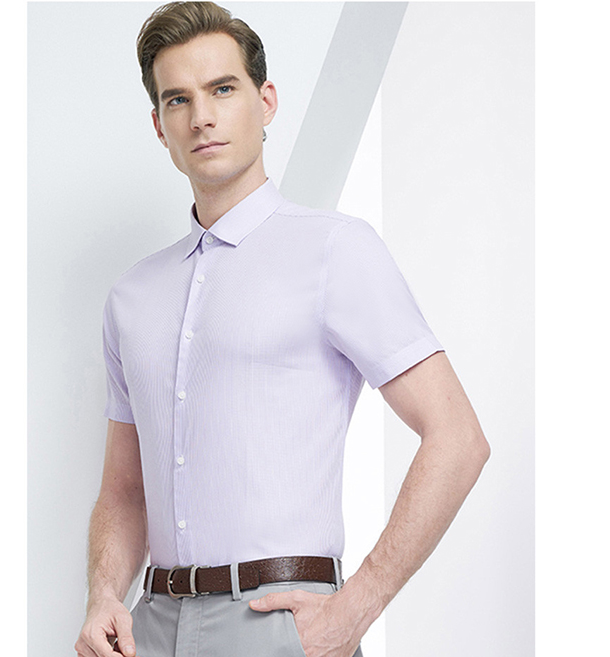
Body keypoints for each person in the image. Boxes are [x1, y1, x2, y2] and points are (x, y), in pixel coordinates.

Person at [74, 2, 491, 656]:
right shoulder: (132, 297)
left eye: (222, 89)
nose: (201, 116)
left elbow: (457, 438)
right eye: (178, 99)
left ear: (265, 101)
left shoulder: (334, 250)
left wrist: (357, 606)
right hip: (150, 626)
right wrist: (103, 595)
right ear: (159, 125)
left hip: (279, 624)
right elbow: (125, 490)